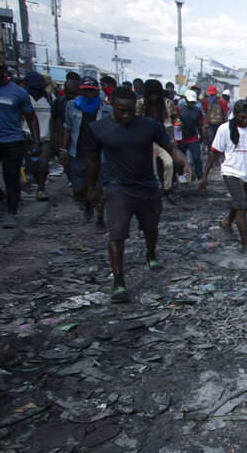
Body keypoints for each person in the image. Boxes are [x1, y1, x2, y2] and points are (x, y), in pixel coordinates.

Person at [83, 87, 192, 302]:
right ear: (111, 104)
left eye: (131, 111)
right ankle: (119, 281)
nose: (126, 115)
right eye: (121, 110)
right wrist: (92, 187)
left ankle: (150, 253)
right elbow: (92, 160)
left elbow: (170, 147)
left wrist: (185, 164)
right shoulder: (98, 128)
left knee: (150, 227)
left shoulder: (149, 126)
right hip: (117, 187)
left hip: (147, 186)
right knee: (117, 232)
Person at [199, 100, 247, 253]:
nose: (245, 121)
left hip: (246, 174)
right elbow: (214, 152)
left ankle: (226, 222)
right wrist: (204, 176)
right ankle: (245, 245)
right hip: (231, 172)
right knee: (242, 206)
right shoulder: (224, 129)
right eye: (242, 117)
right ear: (234, 115)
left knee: (240, 202)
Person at [0, 51, 40, 228]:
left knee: (11, 178)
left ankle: (11, 213)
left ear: (4, 69)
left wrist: (35, 140)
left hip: (12, 141)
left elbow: (31, 117)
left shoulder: (18, 92)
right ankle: (1, 198)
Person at [62, 76, 112, 227]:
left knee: (99, 188)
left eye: (92, 90)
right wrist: (63, 148)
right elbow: (68, 128)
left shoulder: (106, 109)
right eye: (86, 90)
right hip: (78, 153)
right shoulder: (72, 106)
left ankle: (100, 219)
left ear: (97, 92)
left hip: (99, 156)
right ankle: (88, 202)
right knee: (78, 188)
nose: (89, 93)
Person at [137, 79, 179, 202]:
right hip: (146, 140)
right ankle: (150, 190)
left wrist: (178, 125)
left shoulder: (167, 103)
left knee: (168, 163)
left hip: (163, 139)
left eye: (156, 94)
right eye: (151, 94)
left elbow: (175, 118)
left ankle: (167, 188)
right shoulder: (141, 103)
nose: (154, 97)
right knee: (150, 167)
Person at [21, 72, 54, 202]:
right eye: (39, 82)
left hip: (46, 137)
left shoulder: (50, 98)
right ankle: (38, 183)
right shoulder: (24, 98)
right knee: (31, 166)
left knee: (42, 163)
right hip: (27, 136)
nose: (43, 85)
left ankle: (40, 189)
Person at [175, 89, 206, 182]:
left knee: (196, 158)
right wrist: (178, 139)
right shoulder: (178, 109)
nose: (190, 103)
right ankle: (182, 177)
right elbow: (175, 126)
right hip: (181, 138)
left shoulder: (197, 110)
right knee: (181, 159)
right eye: (189, 101)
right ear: (185, 99)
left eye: (192, 102)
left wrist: (202, 138)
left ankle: (200, 177)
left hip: (193, 137)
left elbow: (199, 125)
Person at [203, 85, 228, 150]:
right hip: (210, 124)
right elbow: (205, 114)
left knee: (219, 140)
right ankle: (210, 154)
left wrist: (225, 125)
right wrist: (204, 125)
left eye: (213, 94)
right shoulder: (206, 102)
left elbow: (225, 114)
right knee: (210, 139)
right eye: (210, 94)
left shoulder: (222, 102)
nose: (211, 96)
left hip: (220, 124)